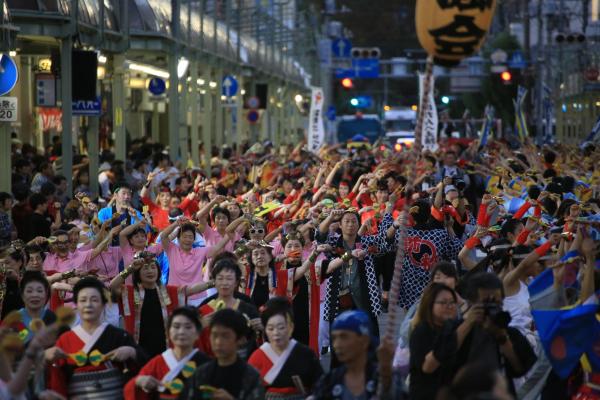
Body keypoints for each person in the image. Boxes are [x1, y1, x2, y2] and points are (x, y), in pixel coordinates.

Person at [46, 277, 147, 399]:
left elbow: (144, 366)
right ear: (76, 305)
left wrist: (132, 352)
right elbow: (57, 381)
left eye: (94, 300)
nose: (88, 305)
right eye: (83, 300)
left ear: (104, 304)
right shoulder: (64, 340)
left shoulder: (119, 336)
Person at [110, 254, 214, 358]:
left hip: (164, 347)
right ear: (138, 273)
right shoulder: (130, 292)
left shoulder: (169, 292)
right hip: (138, 347)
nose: (150, 271)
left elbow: (192, 289)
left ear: (159, 271)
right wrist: (130, 269)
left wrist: (213, 282)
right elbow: (112, 286)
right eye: (145, 268)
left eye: (153, 267)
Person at [458, 272, 537, 397]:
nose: (492, 308)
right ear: (471, 303)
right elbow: (444, 356)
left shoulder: (509, 333)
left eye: (497, 304)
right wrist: (468, 323)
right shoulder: (456, 329)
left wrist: (501, 337)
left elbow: (521, 368)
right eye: (486, 303)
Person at [408, 283, 479, 400]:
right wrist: (467, 323)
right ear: (430, 304)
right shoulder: (422, 331)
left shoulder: (457, 327)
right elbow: (428, 367)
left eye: (452, 302)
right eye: (443, 302)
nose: (449, 306)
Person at [124, 306, 211, 399]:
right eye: (176, 326)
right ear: (168, 332)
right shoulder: (158, 362)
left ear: (198, 333)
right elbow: (130, 389)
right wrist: (138, 381)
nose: (181, 331)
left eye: (188, 327)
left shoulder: (206, 364)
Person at [177, 308, 265, 400]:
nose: (218, 342)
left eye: (225, 336)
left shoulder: (251, 377)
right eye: (214, 335)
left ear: (240, 339)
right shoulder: (200, 374)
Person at [310, 310, 399, 399]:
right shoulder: (329, 381)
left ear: (364, 340)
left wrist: (386, 370)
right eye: (334, 338)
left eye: (344, 337)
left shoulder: (384, 377)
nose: (337, 345)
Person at [248, 297, 323, 399]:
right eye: (270, 328)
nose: (276, 333)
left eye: (281, 327)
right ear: (265, 329)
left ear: (291, 327)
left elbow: (321, 387)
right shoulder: (257, 357)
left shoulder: (306, 354)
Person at [197, 257, 260, 358]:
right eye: (220, 278)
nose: (224, 283)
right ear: (214, 281)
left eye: (229, 278)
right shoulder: (203, 310)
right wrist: (199, 326)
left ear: (236, 282)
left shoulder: (248, 309)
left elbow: (256, 341)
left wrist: (260, 328)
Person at [17, 271, 56, 344]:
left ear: (46, 293)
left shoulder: (52, 318)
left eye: (39, 291)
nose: (35, 295)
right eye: (29, 291)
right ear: (22, 294)